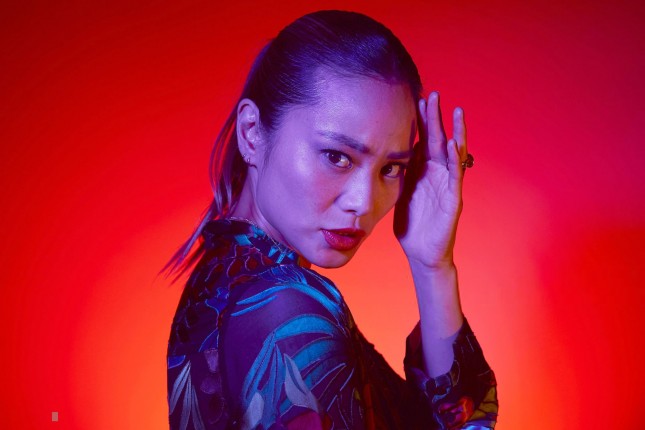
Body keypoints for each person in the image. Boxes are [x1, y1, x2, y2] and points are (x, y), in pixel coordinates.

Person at [166, 10, 497, 429]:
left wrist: (432, 266)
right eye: (337, 157)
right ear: (252, 132)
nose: (364, 202)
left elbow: (452, 420)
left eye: (390, 169)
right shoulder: (285, 308)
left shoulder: (224, 280)